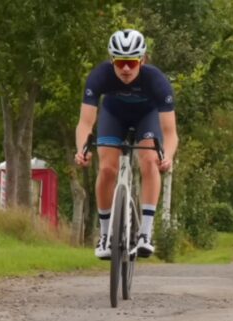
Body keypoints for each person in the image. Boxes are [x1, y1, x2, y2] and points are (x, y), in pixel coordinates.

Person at [75, 29, 179, 259]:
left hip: (146, 117)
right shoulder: (99, 76)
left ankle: (145, 233)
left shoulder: (157, 81)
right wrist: (81, 149)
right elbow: (85, 123)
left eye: (131, 63)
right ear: (112, 59)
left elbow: (171, 133)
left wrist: (168, 156)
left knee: (150, 162)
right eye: (120, 62)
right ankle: (105, 236)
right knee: (107, 168)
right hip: (114, 116)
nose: (125, 69)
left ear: (142, 59)